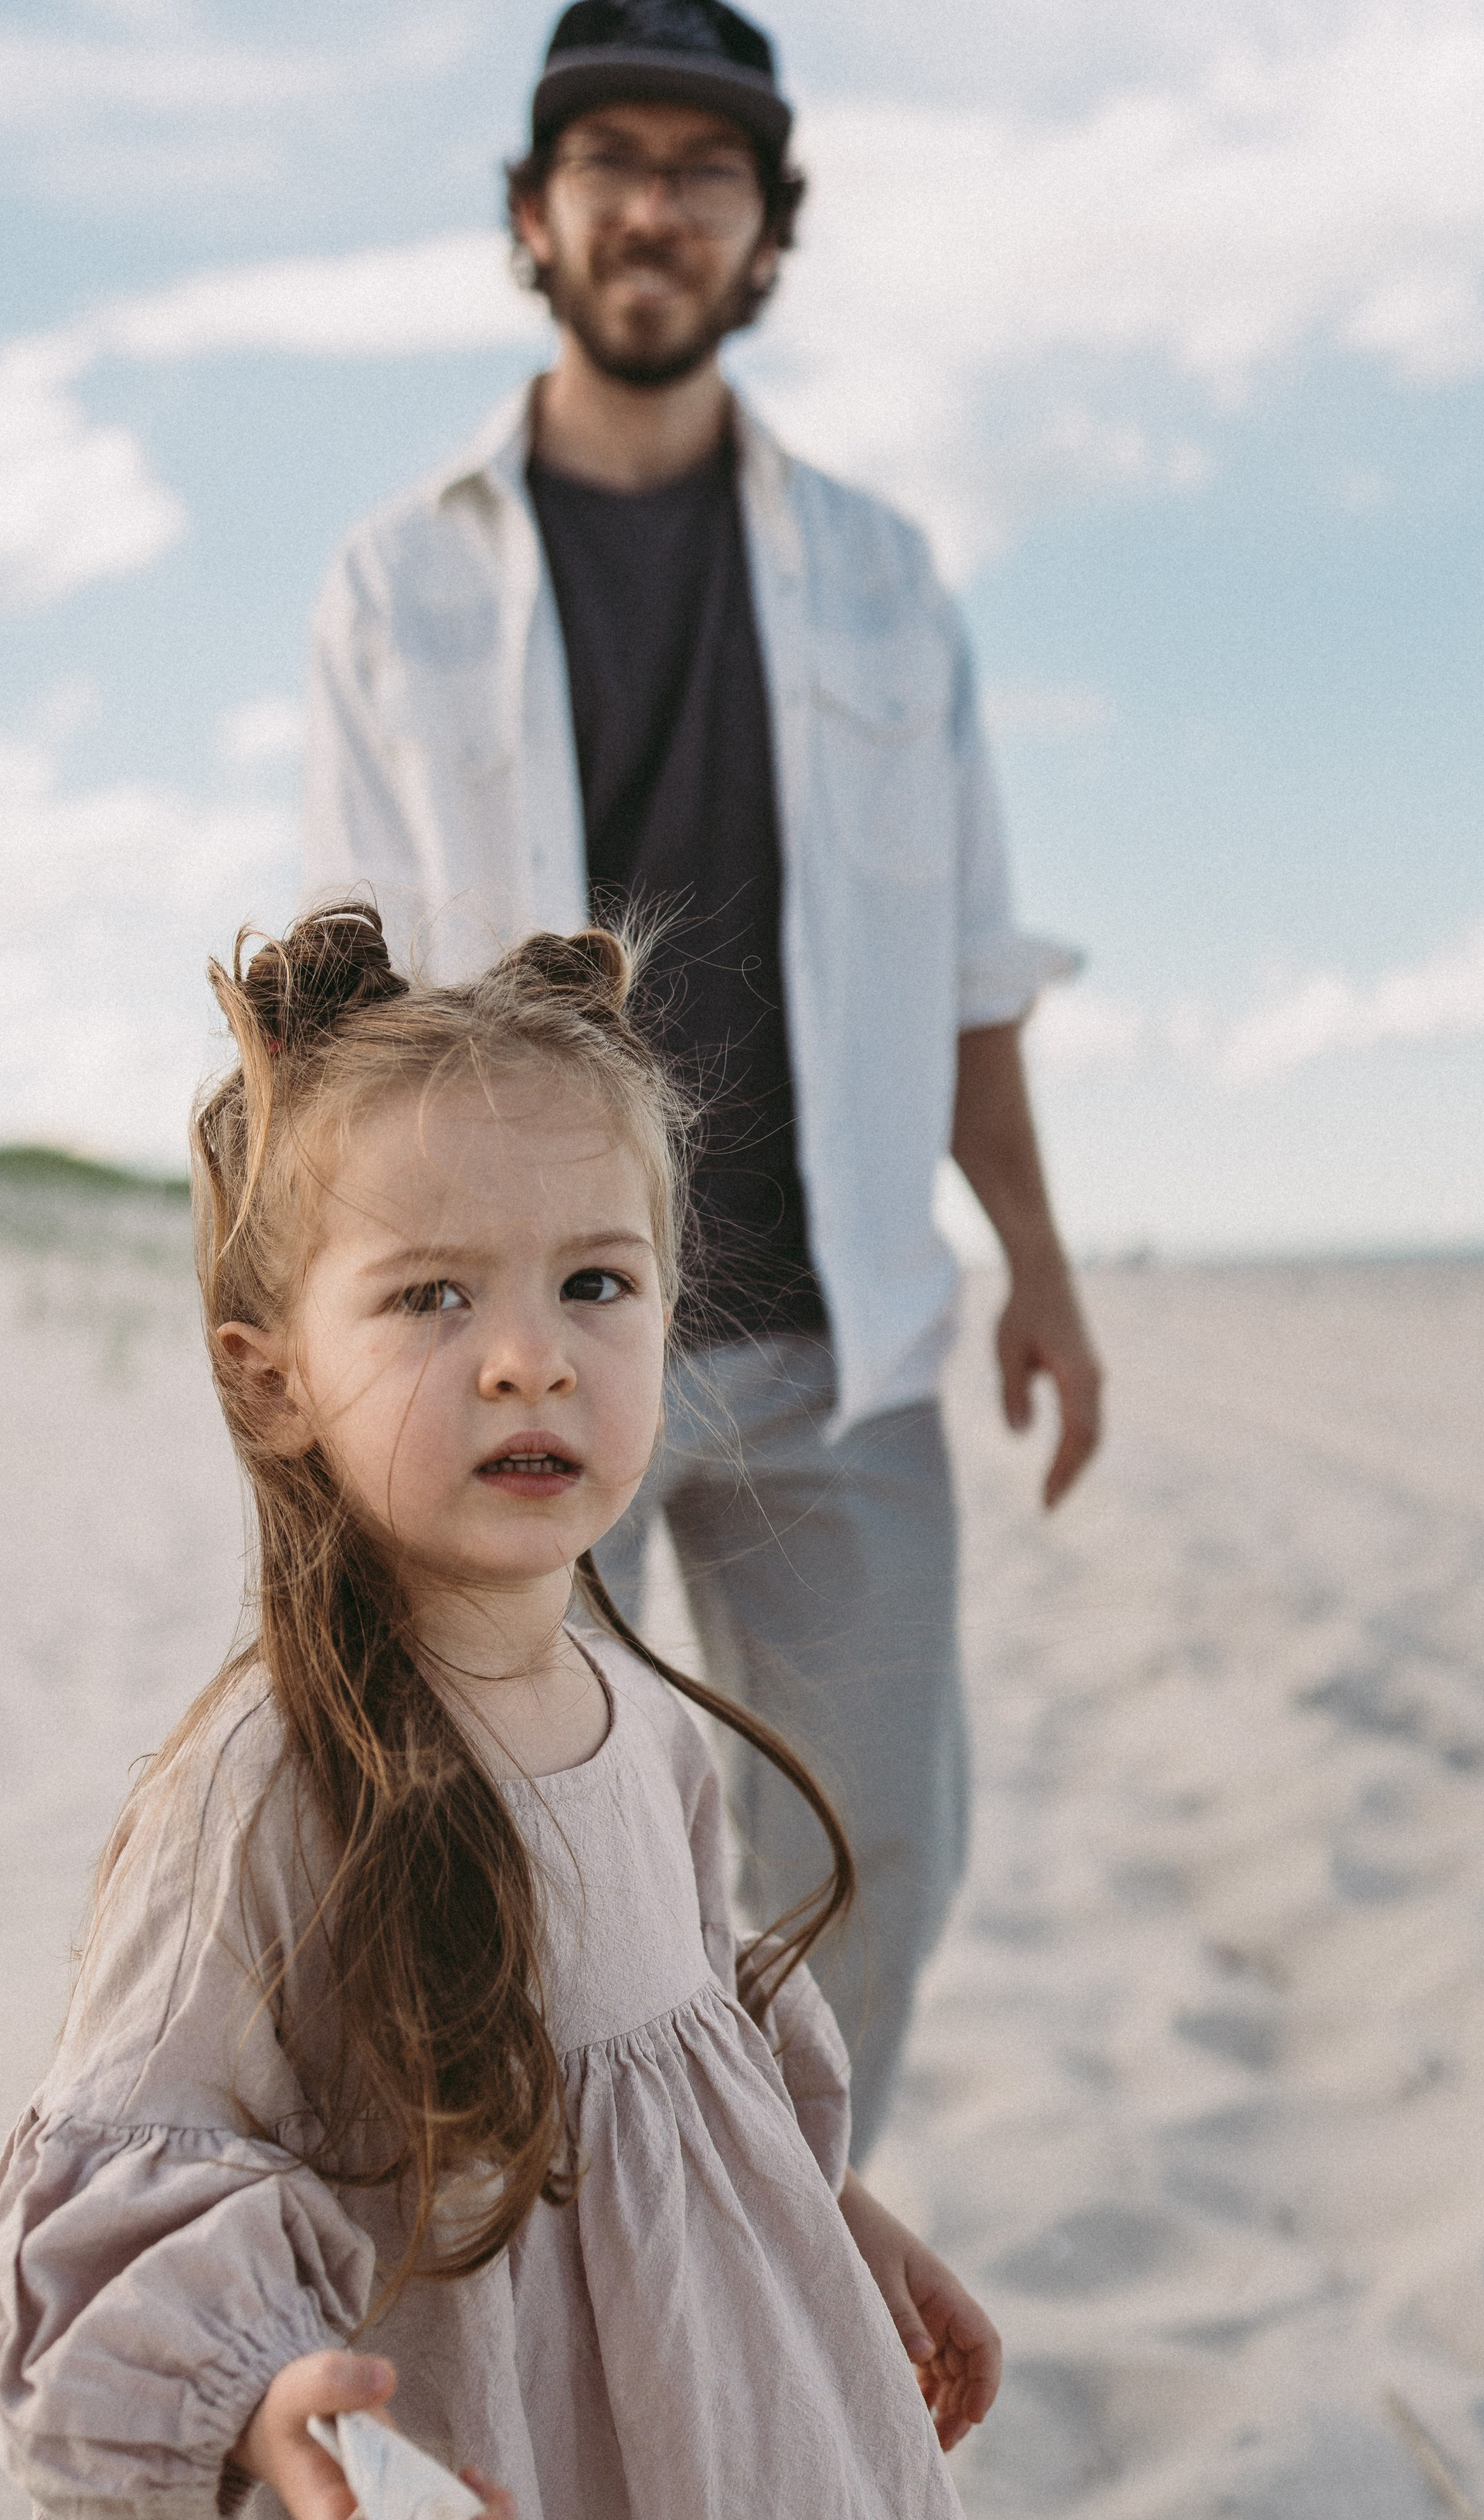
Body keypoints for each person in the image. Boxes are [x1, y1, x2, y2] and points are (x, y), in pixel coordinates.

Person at [0, 906, 1069, 2520]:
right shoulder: (272, 1791)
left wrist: (847, 2220)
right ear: (271, 1376)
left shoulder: (639, 1709)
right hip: (431, 2496)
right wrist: (301, 2425)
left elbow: (697, 2050)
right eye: (429, 1299)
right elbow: (127, 2193)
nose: (528, 1354)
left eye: (597, 1283)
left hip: (685, 2495)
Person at [302, 0, 1105, 2154]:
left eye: (706, 168)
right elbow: (352, 1020)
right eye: (612, 160)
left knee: (879, 1852)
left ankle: (774, 2256)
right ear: (535, 217)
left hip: (827, 1338)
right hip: (518, 1351)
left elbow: (963, 962)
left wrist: (1033, 1256)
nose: (655, 203)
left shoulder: (881, 573)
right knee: (495, 1878)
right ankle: (539, 2300)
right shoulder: (398, 584)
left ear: (766, 233)